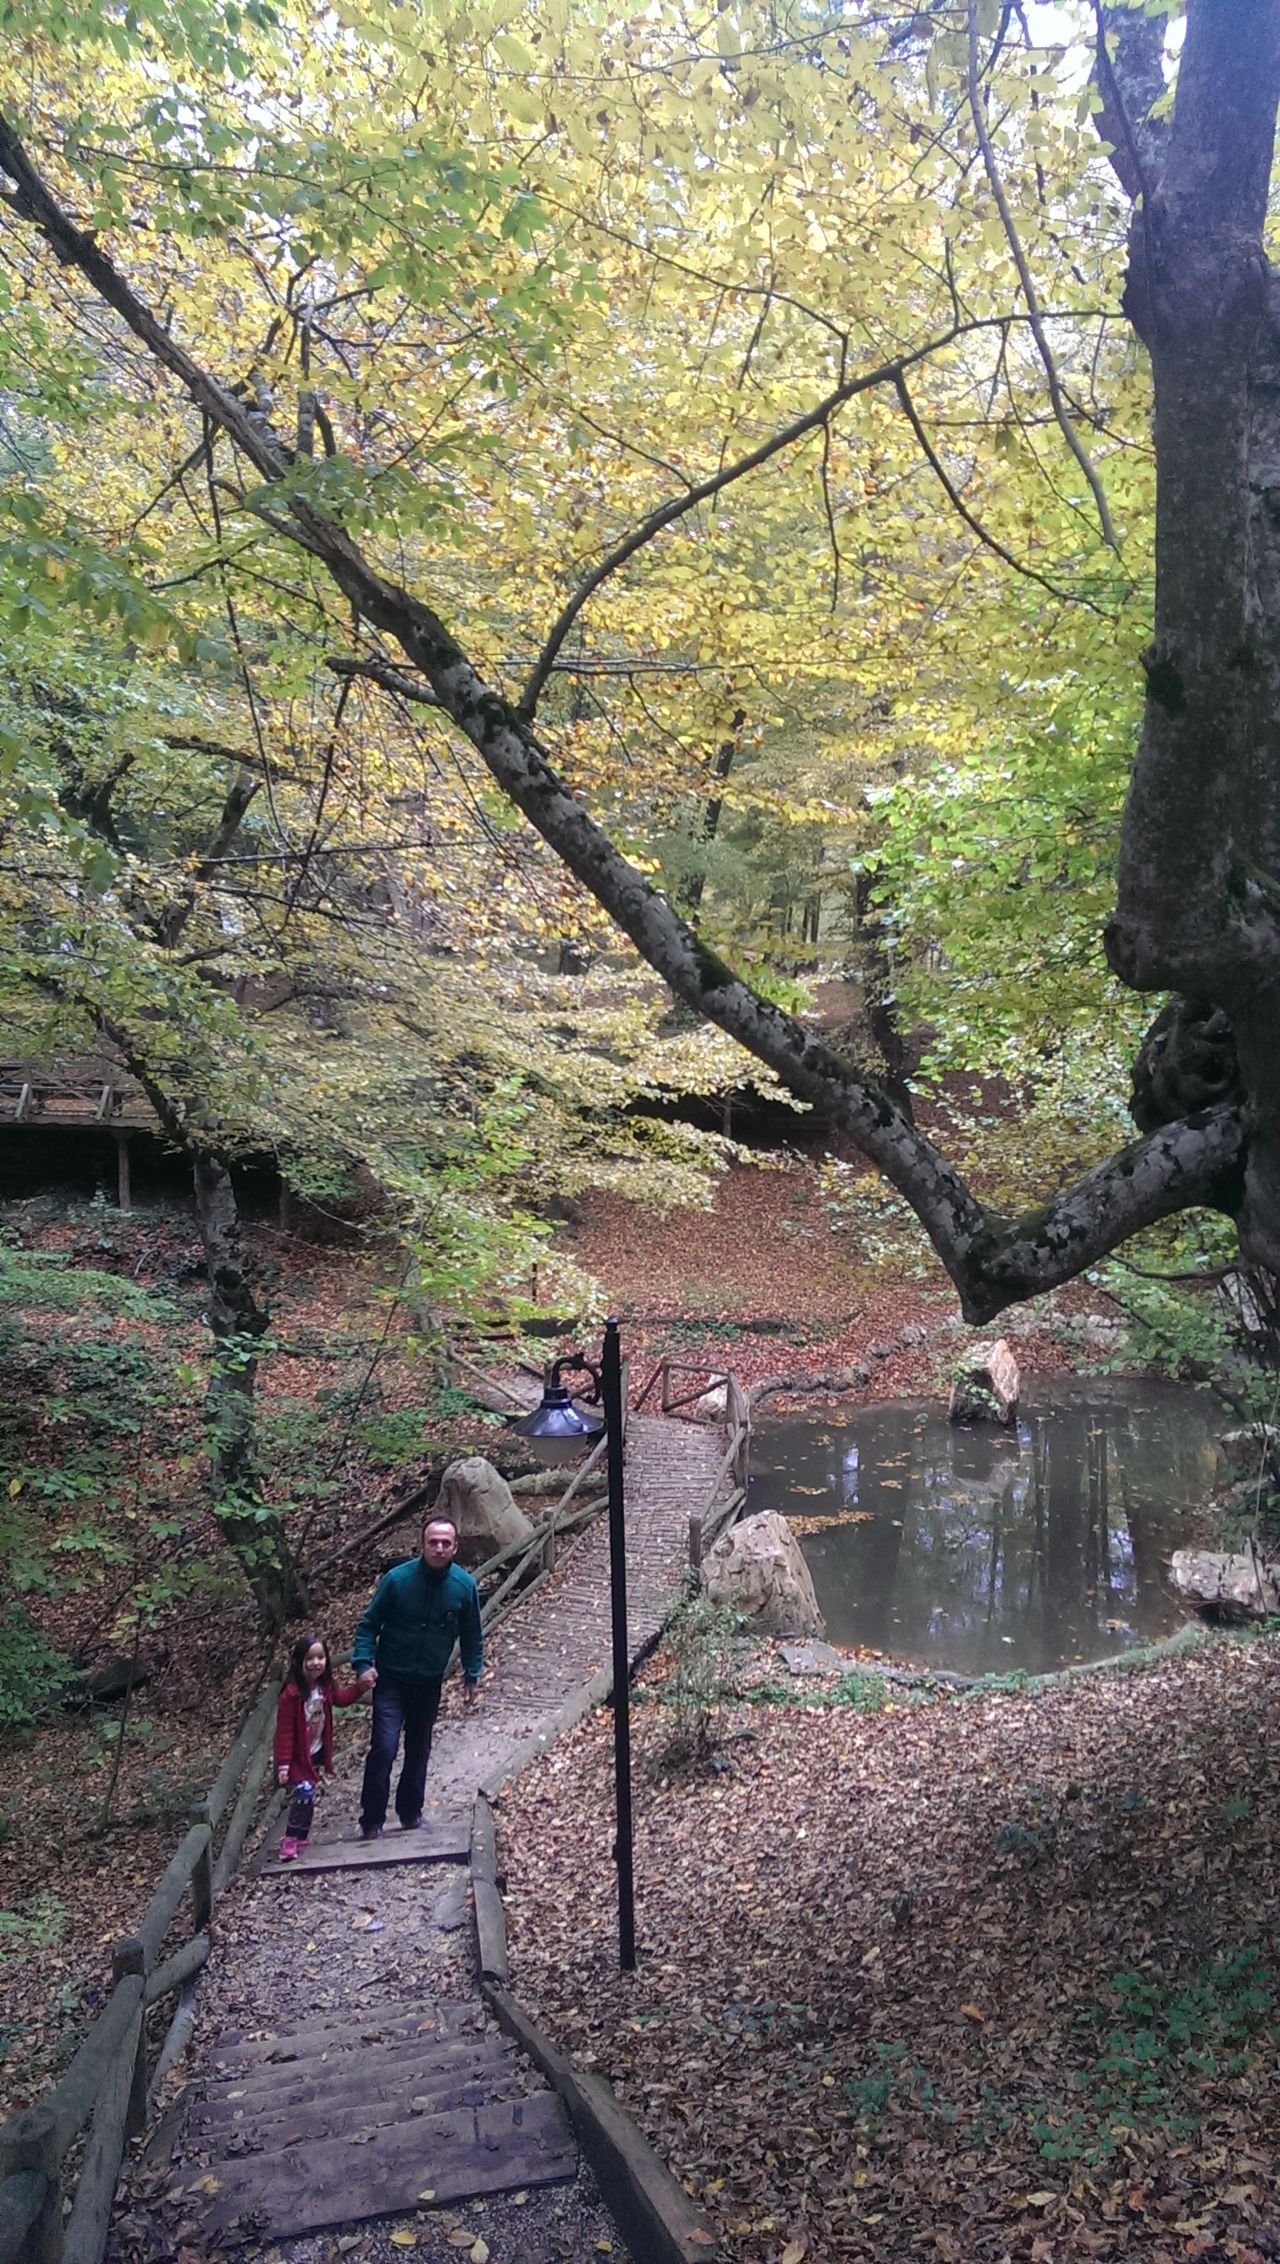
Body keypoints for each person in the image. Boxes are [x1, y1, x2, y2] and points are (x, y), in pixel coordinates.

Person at [352, 1513, 483, 1840]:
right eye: (433, 1542)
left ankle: (410, 1813)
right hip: (391, 1679)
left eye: (445, 1543)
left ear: (455, 1547)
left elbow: (472, 1634)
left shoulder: (464, 1587)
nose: (439, 1548)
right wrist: (363, 1663)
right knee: (384, 1745)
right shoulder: (397, 1581)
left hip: (428, 1681)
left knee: (419, 1747)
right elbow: (369, 1625)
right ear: (422, 1545)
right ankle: (371, 1819)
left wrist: (472, 1673)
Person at [273, 1633, 365, 1861]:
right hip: (296, 1756)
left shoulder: (324, 1688)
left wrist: (360, 1687)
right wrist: (283, 1764)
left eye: (320, 1657)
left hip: (315, 1750)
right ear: (299, 1662)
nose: (316, 1663)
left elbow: (341, 1699)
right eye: (310, 1659)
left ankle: (301, 1836)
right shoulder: (291, 1695)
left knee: (309, 1794)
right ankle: (289, 1840)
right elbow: (284, 1732)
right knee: (303, 1793)